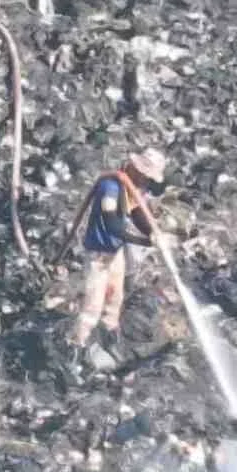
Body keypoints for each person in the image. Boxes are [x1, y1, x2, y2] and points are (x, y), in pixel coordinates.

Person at [66, 148, 171, 375]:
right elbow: (113, 224)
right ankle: (76, 350)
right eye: (145, 175)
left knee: (115, 298)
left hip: (115, 253)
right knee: (93, 304)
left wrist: (153, 234)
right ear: (135, 168)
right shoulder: (110, 187)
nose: (146, 180)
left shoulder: (133, 188)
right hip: (98, 254)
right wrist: (144, 241)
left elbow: (137, 214)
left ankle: (110, 339)